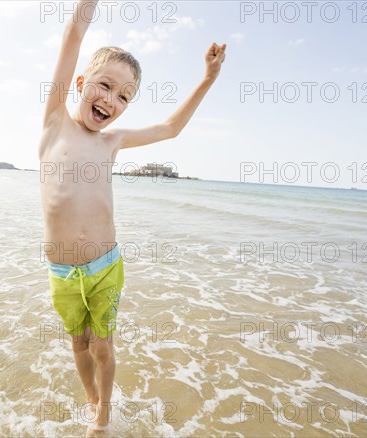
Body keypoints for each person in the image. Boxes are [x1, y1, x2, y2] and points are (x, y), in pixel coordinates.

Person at [38, 1, 226, 436]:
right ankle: (91, 400)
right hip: (63, 272)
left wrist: (208, 79)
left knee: (103, 345)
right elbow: (73, 35)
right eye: (104, 86)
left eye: (124, 96)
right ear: (81, 83)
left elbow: (171, 128)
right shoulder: (54, 123)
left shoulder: (113, 142)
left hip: (105, 267)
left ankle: (102, 416)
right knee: (79, 343)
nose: (111, 99)